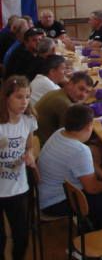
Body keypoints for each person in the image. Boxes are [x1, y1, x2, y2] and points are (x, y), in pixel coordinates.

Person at [38, 104, 102, 230]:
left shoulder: (59, 133)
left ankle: (89, 228)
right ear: (89, 126)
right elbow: (92, 188)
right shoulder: (79, 150)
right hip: (55, 202)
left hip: (44, 194)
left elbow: (87, 164)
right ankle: (93, 236)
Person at [0, 76, 37, 259]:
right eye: (19, 97)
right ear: (7, 97)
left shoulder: (28, 120)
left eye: (27, 97)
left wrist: (29, 154)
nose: (24, 102)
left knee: (21, 236)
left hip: (18, 187)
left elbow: (29, 145)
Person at [35, 72, 93, 146]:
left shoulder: (58, 93)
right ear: (70, 84)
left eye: (87, 92)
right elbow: (70, 135)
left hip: (41, 139)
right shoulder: (64, 104)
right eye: (81, 89)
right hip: (44, 145)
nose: (83, 95)